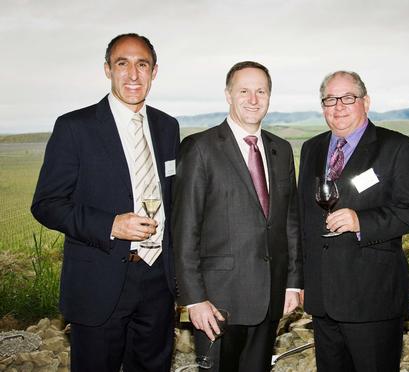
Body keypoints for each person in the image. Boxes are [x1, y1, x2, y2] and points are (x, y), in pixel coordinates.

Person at [31, 33, 179, 371]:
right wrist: (110, 224)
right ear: (107, 70)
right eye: (122, 64)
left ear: (154, 72)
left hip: (158, 281)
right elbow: (47, 203)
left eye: (142, 65)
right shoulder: (74, 127)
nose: (132, 75)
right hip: (100, 282)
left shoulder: (167, 127)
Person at [172, 61, 302, 372]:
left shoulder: (280, 150)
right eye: (244, 91)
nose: (253, 99)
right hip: (218, 302)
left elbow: (289, 222)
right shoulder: (200, 148)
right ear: (229, 95)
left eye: (261, 91)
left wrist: (293, 283)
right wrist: (194, 299)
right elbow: (185, 228)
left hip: (271, 297)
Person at [298, 70, 409, 371]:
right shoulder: (311, 148)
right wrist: (300, 279)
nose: (338, 106)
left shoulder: (396, 147)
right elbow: (301, 217)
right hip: (323, 298)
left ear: (365, 102)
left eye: (348, 98)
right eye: (330, 99)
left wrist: (361, 221)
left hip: (372, 298)